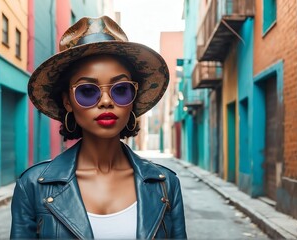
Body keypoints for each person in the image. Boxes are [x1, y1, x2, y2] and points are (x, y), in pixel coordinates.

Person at [10, 16, 187, 239]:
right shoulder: (32, 186)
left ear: (133, 98)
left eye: (120, 89)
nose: (105, 101)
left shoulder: (166, 184)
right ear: (67, 102)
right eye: (87, 91)